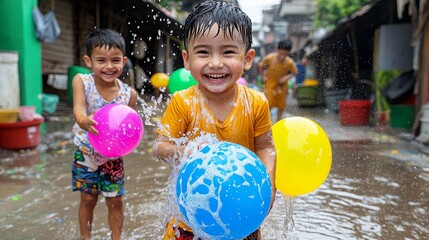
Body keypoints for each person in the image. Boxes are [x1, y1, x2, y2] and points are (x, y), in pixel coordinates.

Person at [152, 1, 276, 239]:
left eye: (228, 52)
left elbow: (266, 147)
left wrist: (269, 185)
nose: (216, 62)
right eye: (203, 52)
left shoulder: (256, 102)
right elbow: (159, 147)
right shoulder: (183, 102)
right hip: (190, 215)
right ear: (187, 60)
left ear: (248, 58)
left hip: (241, 214)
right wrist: (182, 150)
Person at [71, 28, 138, 240]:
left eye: (115, 60)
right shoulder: (82, 81)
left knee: (115, 201)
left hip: (113, 158)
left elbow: (131, 127)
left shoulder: (129, 94)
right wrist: (83, 120)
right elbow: (79, 107)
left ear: (124, 61)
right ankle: (85, 237)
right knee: (88, 199)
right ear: (88, 61)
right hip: (86, 154)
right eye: (101, 60)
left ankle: (116, 238)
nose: (109, 67)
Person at [258, 39, 297, 122]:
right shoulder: (270, 58)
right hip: (270, 84)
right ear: (277, 49)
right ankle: (267, 125)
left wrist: (285, 78)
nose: (282, 56)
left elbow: (295, 72)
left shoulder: (290, 62)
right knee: (268, 104)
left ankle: (278, 123)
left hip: (281, 86)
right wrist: (263, 77)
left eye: (285, 54)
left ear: (288, 53)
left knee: (281, 106)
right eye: (281, 53)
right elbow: (260, 65)